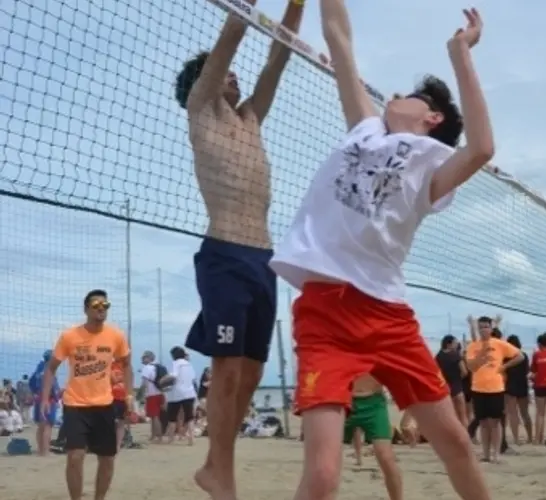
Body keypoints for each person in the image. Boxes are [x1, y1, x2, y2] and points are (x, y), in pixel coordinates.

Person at [269, 1, 496, 497]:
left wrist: (460, 53)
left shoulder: (432, 161)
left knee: (455, 441)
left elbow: (481, 148)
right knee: (324, 474)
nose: (395, 93)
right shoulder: (366, 128)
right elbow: (339, 39)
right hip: (324, 316)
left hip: (388, 317)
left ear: (433, 117)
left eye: (412, 95)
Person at [175, 0, 306, 495]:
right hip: (225, 251)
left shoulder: (249, 117)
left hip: (263, 258)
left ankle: (216, 465)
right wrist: (242, 13)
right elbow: (231, 37)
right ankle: (220, 471)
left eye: (234, 76)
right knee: (226, 369)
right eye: (224, 74)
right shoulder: (200, 110)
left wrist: (295, 7)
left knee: (252, 373)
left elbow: (279, 58)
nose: (234, 78)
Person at [40, 289, 132, 500]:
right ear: (86, 309)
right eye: (96, 305)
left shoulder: (115, 336)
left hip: (104, 404)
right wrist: (45, 398)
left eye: (105, 305)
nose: (101, 309)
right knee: (75, 456)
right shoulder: (70, 336)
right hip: (75, 404)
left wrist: (129, 395)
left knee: (107, 458)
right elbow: (51, 367)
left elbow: (127, 365)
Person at [466, 317, 524, 463]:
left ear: (491, 328)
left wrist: (504, 366)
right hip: (478, 388)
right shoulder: (473, 345)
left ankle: (496, 453)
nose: (483, 330)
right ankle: (486, 454)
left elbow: (520, 356)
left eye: (486, 327)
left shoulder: (499, 344)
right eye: (481, 327)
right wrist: (481, 354)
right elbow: (471, 367)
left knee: (495, 422)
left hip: (495, 388)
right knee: (483, 422)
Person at [343, 375, 402, 500]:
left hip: (374, 402)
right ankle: (358, 457)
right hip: (344, 399)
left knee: (386, 457)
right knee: (325, 461)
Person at [30, 350, 61, 456]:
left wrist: (35, 392)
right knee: (48, 426)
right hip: (48, 400)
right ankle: (46, 451)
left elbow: (31, 382)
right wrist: (57, 395)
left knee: (41, 426)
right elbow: (52, 386)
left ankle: (40, 450)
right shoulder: (50, 369)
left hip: (38, 399)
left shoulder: (38, 369)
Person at [165, 346, 198, 445]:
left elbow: (173, 376)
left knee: (172, 417)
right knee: (190, 417)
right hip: (189, 392)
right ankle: (191, 439)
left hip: (176, 394)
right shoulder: (189, 364)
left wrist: (163, 380)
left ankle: (171, 439)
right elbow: (193, 378)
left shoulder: (175, 363)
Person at [504, 334, 532, 444]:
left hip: (510, 385)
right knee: (525, 413)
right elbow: (527, 371)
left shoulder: (505, 358)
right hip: (522, 385)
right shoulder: (524, 355)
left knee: (513, 413)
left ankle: (515, 438)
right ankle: (530, 437)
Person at [436, 335, 468, 427]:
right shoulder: (455, 355)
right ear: (449, 344)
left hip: (445, 389)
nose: (456, 345)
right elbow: (464, 372)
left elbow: (437, 373)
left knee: (450, 417)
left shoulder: (438, 356)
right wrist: (458, 378)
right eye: (455, 343)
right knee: (463, 416)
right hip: (457, 388)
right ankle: (465, 437)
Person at [140, 351, 166, 443]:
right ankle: (153, 435)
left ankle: (159, 437)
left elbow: (144, 383)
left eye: (144, 357)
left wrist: (141, 395)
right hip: (160, 393)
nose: (142, 359)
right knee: (154, 416)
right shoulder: (158, 367)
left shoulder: (147, 368)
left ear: (149, 358)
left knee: (154, 416)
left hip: (151, 395)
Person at [111, 360, 128, 450]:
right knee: (114, 421)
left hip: (121, 398)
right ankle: (113, 443)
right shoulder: (109, 366)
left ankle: (118, 444)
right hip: (112, 398)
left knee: (121, 421)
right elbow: (114, 379)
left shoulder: (124, 367)